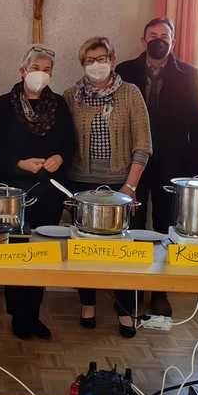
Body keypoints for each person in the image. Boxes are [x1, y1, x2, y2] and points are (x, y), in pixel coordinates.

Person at [116, 18, 198, 318]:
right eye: (152, 35)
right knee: (132, 224)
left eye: (164, 35)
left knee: (166, 226)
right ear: (143, 40)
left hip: (173, 164)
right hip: (134, 163)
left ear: (173, 41)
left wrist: (195, 171)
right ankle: (132, 289)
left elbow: (197, 123)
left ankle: (159, 291)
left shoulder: (190, 74)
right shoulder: (125, 71)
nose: (159, 40)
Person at [0, 44, 73, 340]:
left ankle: (33, 314)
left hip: (49, 190)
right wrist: (20, 163)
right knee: (16, 250)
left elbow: (69, 144)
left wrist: (59, 157)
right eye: (35, 68)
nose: (41, 74)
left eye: (47, 70)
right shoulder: (3, 103)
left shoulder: (59, 105)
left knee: (40, 251)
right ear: (22, 70)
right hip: (12, 190)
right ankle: (18, 315)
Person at [65, 36, 151, 337]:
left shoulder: (130, 93)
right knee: (85, 248)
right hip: (82, 182)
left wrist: (130, 186)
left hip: (121, 184)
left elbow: (143, 145)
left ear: (113, 61)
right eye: (90, 60)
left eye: (102, 59)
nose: (96, 65)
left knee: (124, 251)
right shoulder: (71, 96)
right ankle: (87, 304)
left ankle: (126, 310)